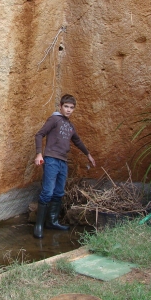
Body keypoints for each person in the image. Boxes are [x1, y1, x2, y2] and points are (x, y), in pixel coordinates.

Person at [33, 94, 96, 238]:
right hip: (51, 159)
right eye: (66, 106)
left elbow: (77, 141)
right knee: (47, 191)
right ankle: (39, 225)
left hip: (63, 161)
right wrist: (39, 154)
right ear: (60, 107)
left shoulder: (69, 125)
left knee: (59, 192)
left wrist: (88, 154)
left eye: (71, 108)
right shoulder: (54, 119)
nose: (68, 110)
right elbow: (39, 134)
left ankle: (52, 221)